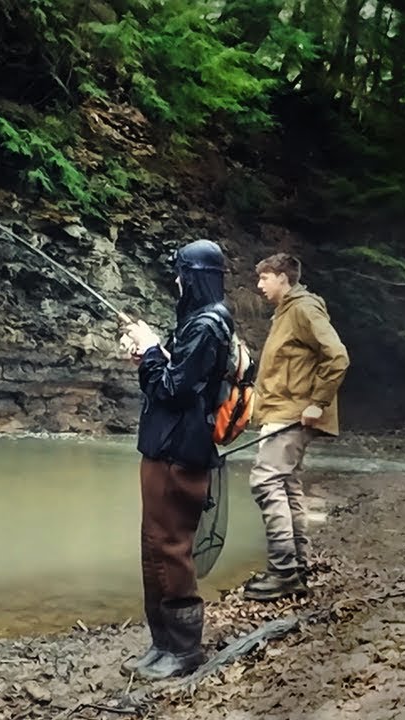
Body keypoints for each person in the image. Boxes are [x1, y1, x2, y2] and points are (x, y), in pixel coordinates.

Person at [118, 239, 234, 680]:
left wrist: (150, 349)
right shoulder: (199, 324)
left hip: (180, 452)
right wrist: (149, 356)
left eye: (181, 274)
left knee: (170, 547)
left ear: (194, 277)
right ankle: (161, 643)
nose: (176, 282)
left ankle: (184, 650)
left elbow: (173, 390)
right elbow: (172, 378)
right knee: (153, 545)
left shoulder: (208, 325)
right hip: (164, 447)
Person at [242, 253, 349, 602]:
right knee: (286, 485)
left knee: (266, 480)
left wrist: (317, 402)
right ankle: (296, 567)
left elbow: (338, 356)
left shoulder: (303, 309)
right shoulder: (286, 312)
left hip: (293, 414)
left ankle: (284, 572)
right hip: (282, 411)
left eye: (264, 278)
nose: (259, 285)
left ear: (283, 278)